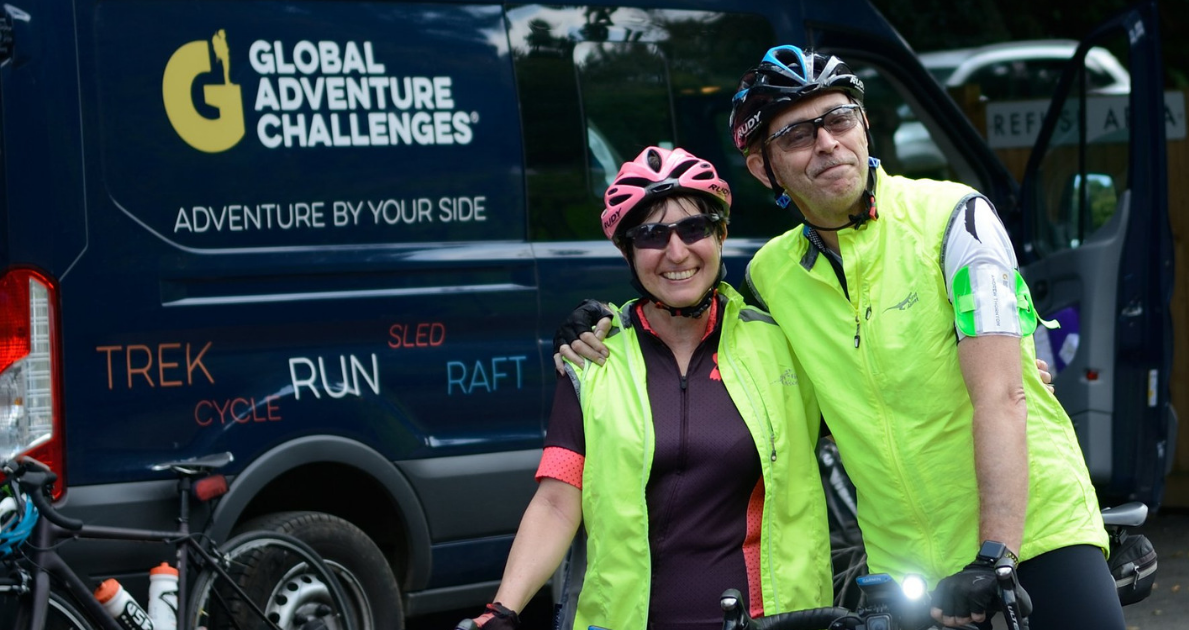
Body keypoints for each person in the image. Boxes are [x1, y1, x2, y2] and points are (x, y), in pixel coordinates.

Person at [557, 46, 1121, 630]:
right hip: (908, 567)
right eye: (798, 135)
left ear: (864, 125)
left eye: (839, 119)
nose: (827, 143)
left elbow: (1003, 396)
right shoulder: (770, 277)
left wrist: (996, 553)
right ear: (762, 168)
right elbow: (711, 344)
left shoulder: (954, 218)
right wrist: (605, 322)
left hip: (1033, 532)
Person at [461, 146, 832, 630]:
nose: (676, 253)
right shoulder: (593, 358)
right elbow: (556, 502)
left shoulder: (782, 341)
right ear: (627, 251)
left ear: (721, 234)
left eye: (694, 229)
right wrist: (502, 609)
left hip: (770, 620)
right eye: (652, 235)